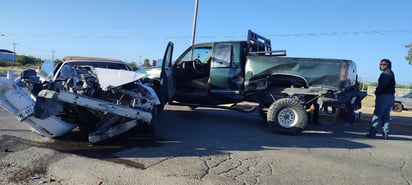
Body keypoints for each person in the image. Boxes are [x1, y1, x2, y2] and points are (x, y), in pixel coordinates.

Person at [366, 59, 396, 139]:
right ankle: (385, 134)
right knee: (386, 116)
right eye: (381, 64)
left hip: (384, 96)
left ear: (388, 65)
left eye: (384, 64)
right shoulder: (390, 73)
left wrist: (377, 92)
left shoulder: (386, 74)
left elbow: (383, 86)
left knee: (377, 115)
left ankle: (372, 133)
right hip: (390, 97)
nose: (382, 66)